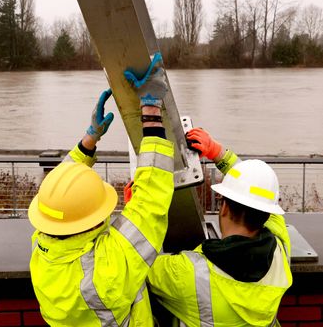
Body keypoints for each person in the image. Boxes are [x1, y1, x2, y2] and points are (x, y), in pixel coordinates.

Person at [28, 55, 174, 326]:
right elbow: (151, 202)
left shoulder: (42, 249)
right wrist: (151, 109)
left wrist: (89, 140)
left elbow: (59, 193)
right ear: (94, 221)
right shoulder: (105, 272)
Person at [147, 127, 292, 327]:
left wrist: (141, 209)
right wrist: (218, 153)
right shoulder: (280, 250)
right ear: (267, 214)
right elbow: (256, 191)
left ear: (223, 208)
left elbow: (136, 266)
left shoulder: (188, 272)